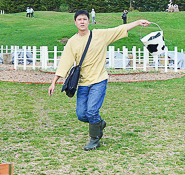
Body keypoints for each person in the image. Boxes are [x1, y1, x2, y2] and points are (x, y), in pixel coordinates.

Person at [48, 11, 151, 151]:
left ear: (88, 21)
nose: (82, 21)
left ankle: (94, 139)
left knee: (91, 111)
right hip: (83, 83)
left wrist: (138, 22)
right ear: (75, 22)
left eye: (85, 19)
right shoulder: (72, 41)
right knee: (81, 114)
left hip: (99, 80)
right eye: (79, 19)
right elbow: (65, 61)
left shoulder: (99, 35)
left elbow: (119, 29)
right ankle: (99, 123)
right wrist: (54, 81)